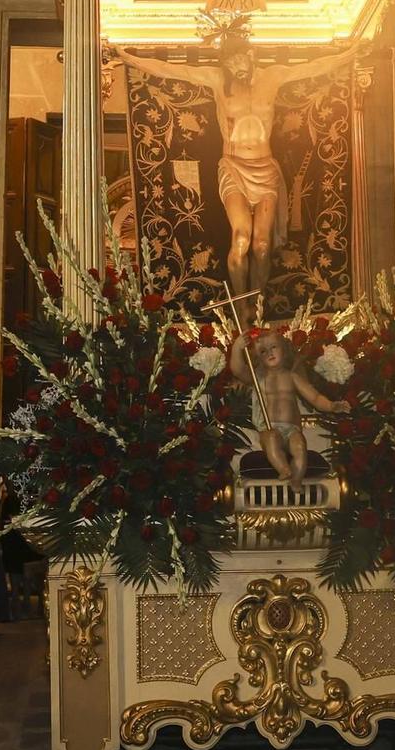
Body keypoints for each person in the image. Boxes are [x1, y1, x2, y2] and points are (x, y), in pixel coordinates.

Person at [114, 38, 357, 292]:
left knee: (262, 245)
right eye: (229, 63)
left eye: (238, 60)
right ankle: (242, 308)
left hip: (264, 169)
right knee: (241, 238)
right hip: (233, 167)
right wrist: (131, 59)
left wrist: (349, 55)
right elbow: (175, 71)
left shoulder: (273, 77)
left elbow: (312, 68)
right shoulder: (218, 80)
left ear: (251, 54)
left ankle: (257, 306)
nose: (235, 67)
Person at [233, 331, 348, 488]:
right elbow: (238, 369)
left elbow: (314, 397)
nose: (269, 353)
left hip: (292, 429)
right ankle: (284, 469)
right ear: (258, 357)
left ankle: (297, 479)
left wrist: (331, 405)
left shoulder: (292, 377)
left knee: (300, 446)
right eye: (263, 351)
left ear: (284, 349)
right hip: (269, 427)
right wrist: (237, 348)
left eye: (273, 347)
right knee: (271, 440)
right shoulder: (258, 377)